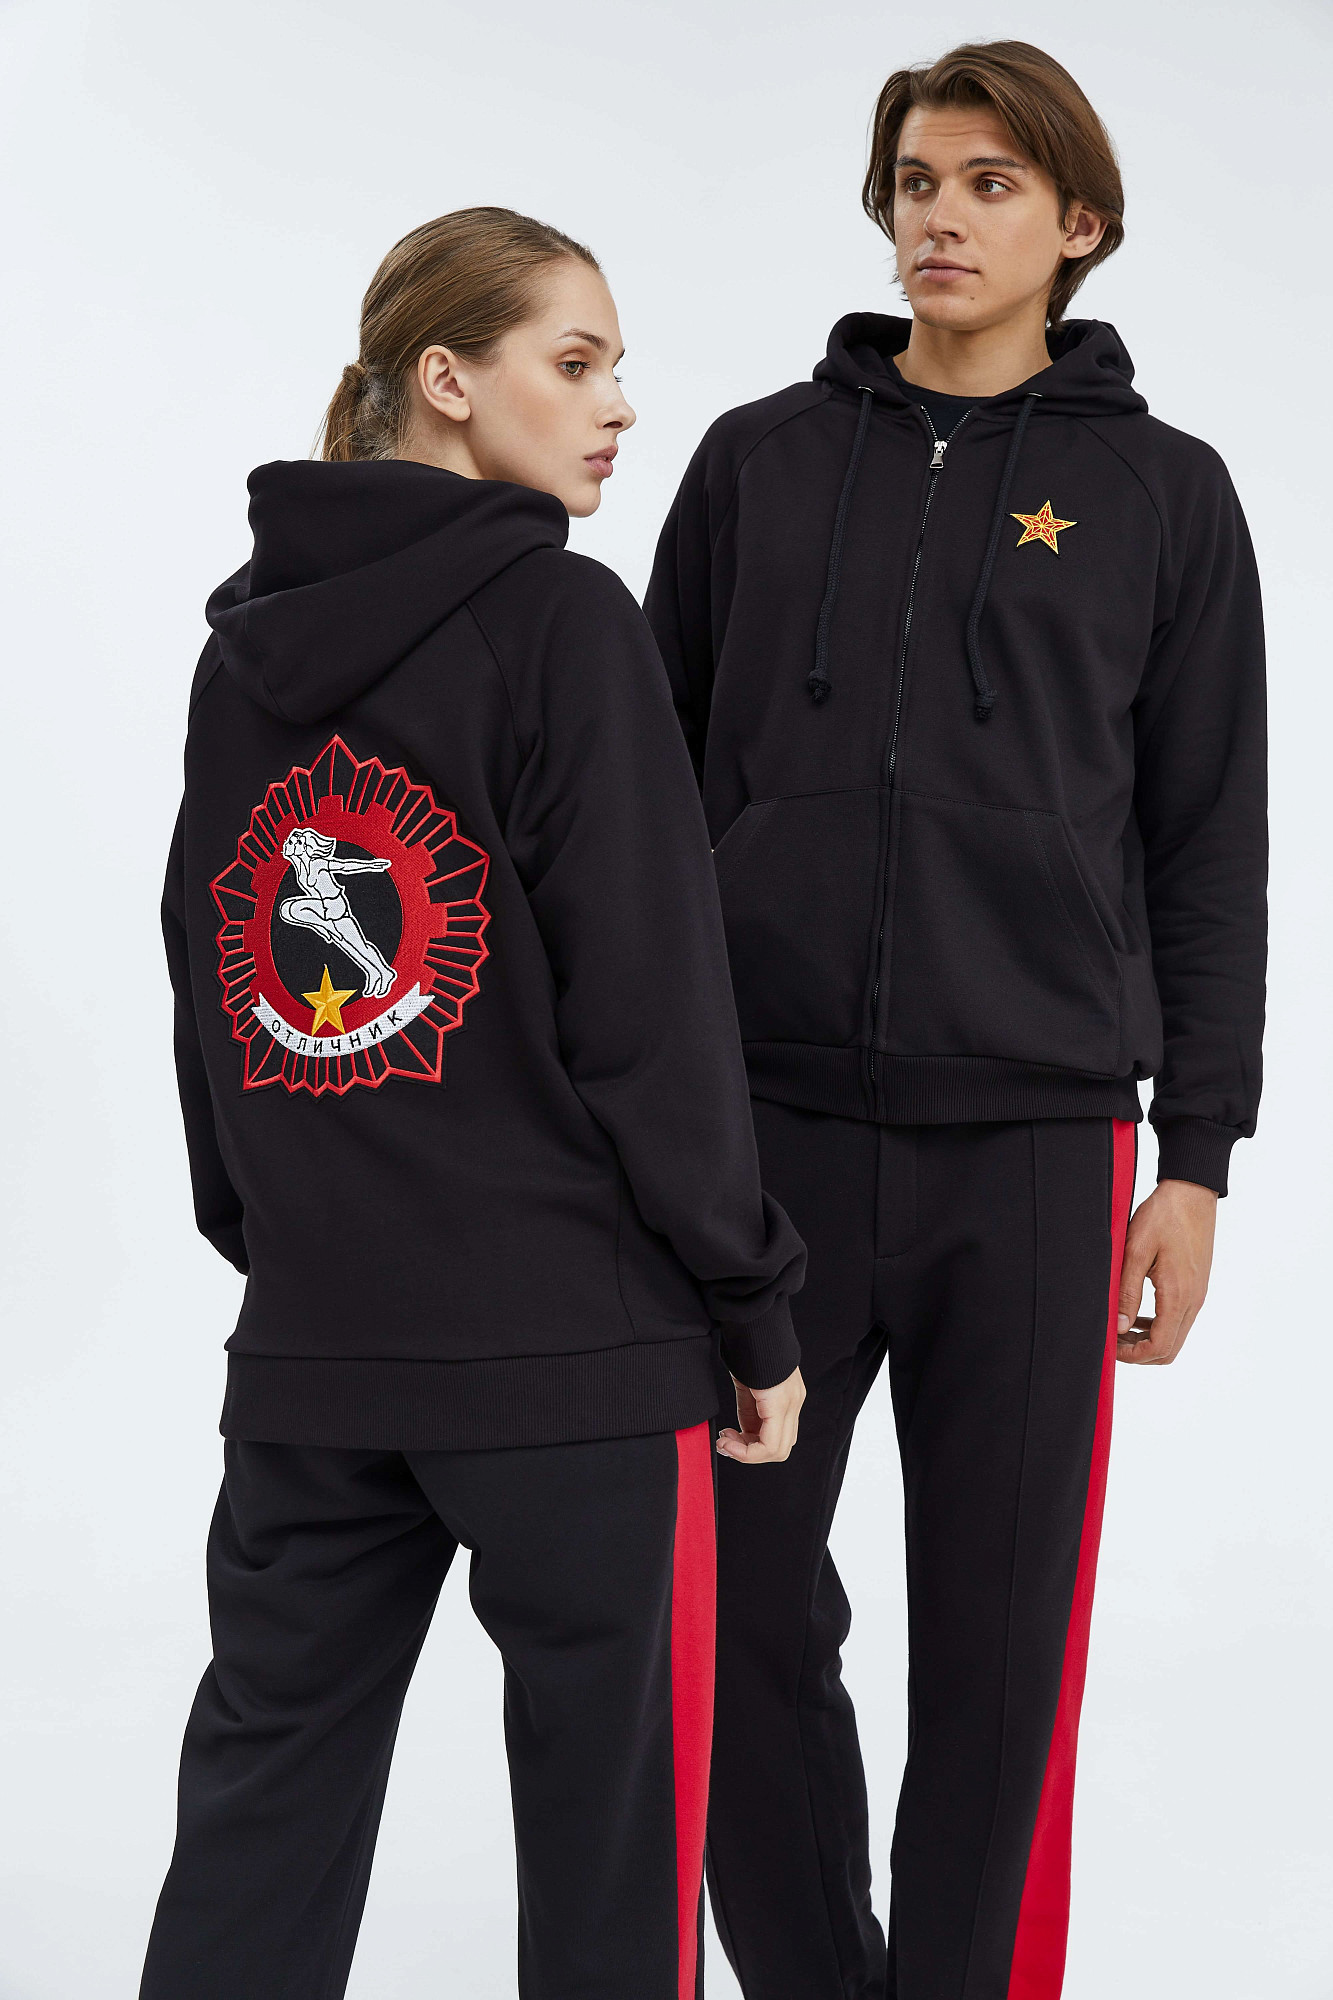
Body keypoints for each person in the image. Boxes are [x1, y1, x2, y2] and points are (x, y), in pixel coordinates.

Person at [645, 41, 1265, 2000]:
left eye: (990, 183)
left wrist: (1195, 1158)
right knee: (727, 1615)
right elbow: (640, 812)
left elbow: (1208, 843)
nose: (939, 215)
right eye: (917, 179)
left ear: (1077, 223)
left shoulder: (1163, 496)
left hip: (1038, 1143)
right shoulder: (754, 466)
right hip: (762, 1144)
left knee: (1000, 1655)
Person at [143, 206, 806, 2000]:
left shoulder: (241, 653)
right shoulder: (560, 619)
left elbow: (211, 976)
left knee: (258, 1828)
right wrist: (749, 1299)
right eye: (574, 364)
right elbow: (652, 1010)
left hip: (318, 1351)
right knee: (611, 1865)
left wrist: (290, 1246)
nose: (618, 408)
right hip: (575, 1359)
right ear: (445, 379)